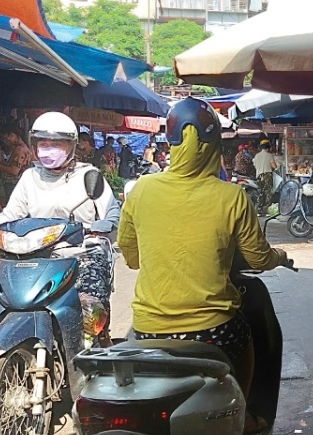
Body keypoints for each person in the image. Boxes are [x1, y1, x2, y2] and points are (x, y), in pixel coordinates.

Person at [116, 97, 290, 406]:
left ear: (171, 146)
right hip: (214, 331)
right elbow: (259, 258)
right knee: (249, 341)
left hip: (147, 330)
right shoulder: (232, 196)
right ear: (214, 148)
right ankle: (245, 414)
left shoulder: (141, 190)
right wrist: (281, 257)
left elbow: (131, 258)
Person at [0, 112, 121, 337]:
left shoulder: (88, 175)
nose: (49, 149)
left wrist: (95, 229)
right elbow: (12, 213)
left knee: (91, 305)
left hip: (81, 252)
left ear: (71, 146)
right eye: (44, 143)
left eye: (56, 144)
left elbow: (112, 212)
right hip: (37, 254)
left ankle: (97, 349)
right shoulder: (30, 177)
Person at [252, 138, 278, 216]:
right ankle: (266, 211)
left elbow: (255, 166)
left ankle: (259, 211)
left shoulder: (256, 156)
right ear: (268, 147)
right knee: (268, 194)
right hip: (267, 176)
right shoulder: (269, 155)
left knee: (260, 193)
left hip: (259, 176)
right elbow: (274, 166)